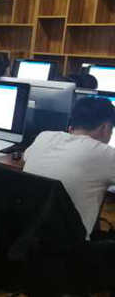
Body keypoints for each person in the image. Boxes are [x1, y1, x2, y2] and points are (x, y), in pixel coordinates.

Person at [24, 97, 115, 239]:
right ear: (105, 128)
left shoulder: (44, 136)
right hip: (68, 244)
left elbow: (25, 158)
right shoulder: (106, 154)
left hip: (25, 235)